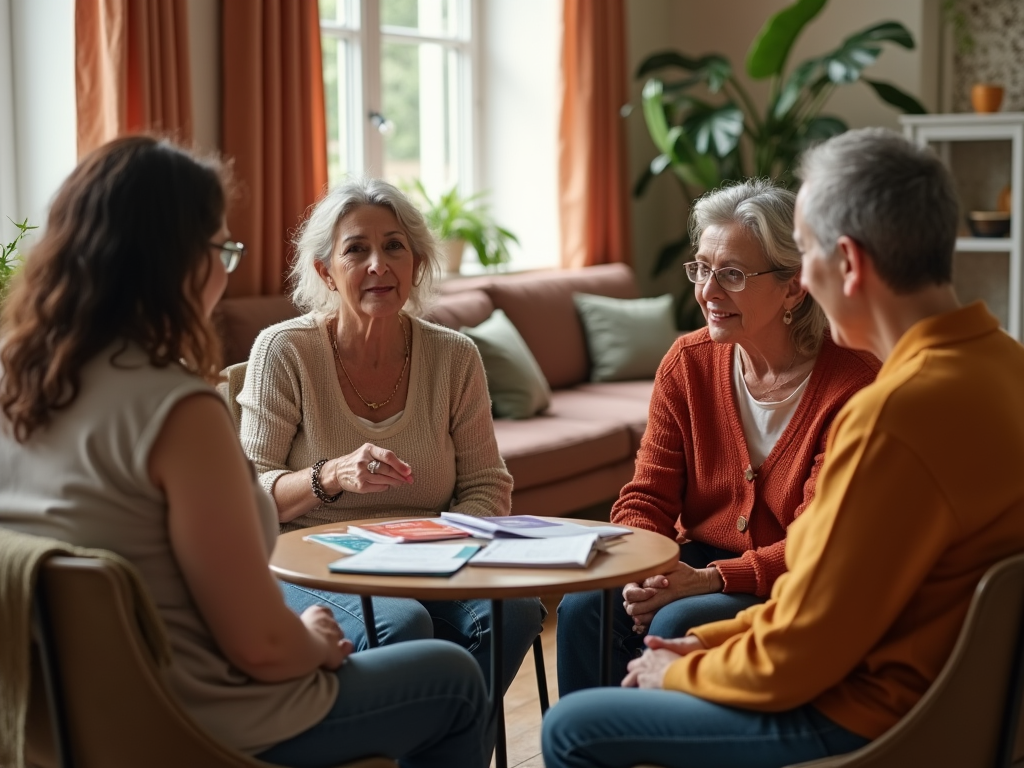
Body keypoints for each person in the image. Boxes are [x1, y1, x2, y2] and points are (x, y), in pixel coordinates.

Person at [0, 136, 492, 768]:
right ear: (174, 260)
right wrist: (310, 639)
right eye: (220, 249)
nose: (223, 270)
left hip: (61, 726)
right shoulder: (177, 410)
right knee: (451, 677)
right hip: (197, 723)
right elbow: (261, 646)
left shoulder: (16, 380)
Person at [541, 127, 1024, 768]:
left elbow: (808, 642)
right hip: (958, 701)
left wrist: (681, 670)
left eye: (807, 254)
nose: (805, 280)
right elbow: (824, 603)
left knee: (572, 727)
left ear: (845, 264)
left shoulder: (890, 415)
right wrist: (709, 640)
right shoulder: (1005, 365)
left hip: (872, 712)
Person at [557, 178, 879, 694]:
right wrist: (646, 568)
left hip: (788, 581)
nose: (707, 291)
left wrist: (709, 580)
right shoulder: (688, 363)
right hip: (694, 559)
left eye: (730, 273)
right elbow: (647, 496)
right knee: (583, 608)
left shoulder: (854, 385)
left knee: (676, 622)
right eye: (702, 268)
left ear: (794, 286)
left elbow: (816, 544)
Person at [237, 177, 543, 692]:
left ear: (416, 264)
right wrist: (330, 475)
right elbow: (246, 498)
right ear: (326, 271)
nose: (378, 264)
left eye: (394, 247)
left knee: (513, 611)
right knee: (401, 623)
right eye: (356, 250)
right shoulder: (284, 351)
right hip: (310, 561)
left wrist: (442, 548)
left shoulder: (454, 356)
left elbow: (488, 485)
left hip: (430, 558)